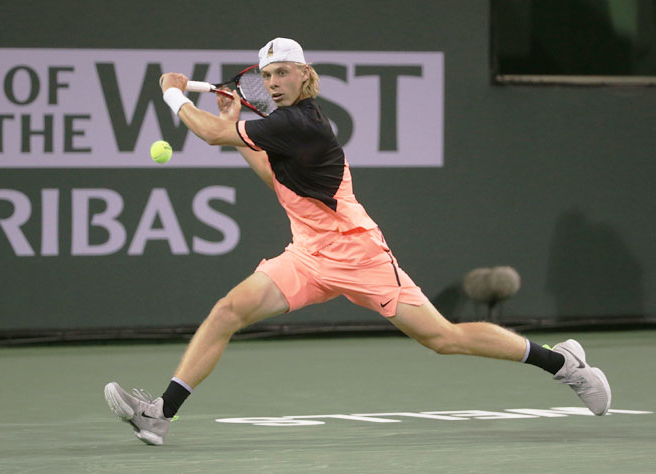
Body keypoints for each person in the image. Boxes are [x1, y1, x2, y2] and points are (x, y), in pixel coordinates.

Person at [104, 38, 611, 446]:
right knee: (227, 311)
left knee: (442, 338)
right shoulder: (279, 128)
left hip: (359, 256)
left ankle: (563, 364)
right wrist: (233, 128)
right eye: (267, 75)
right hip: (307, 255)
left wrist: (174, 94)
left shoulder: (302, 123)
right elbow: (266, 169)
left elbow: (215, 136)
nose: (274, 82)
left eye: (283, 72)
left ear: (305, 74)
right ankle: (160, 414)